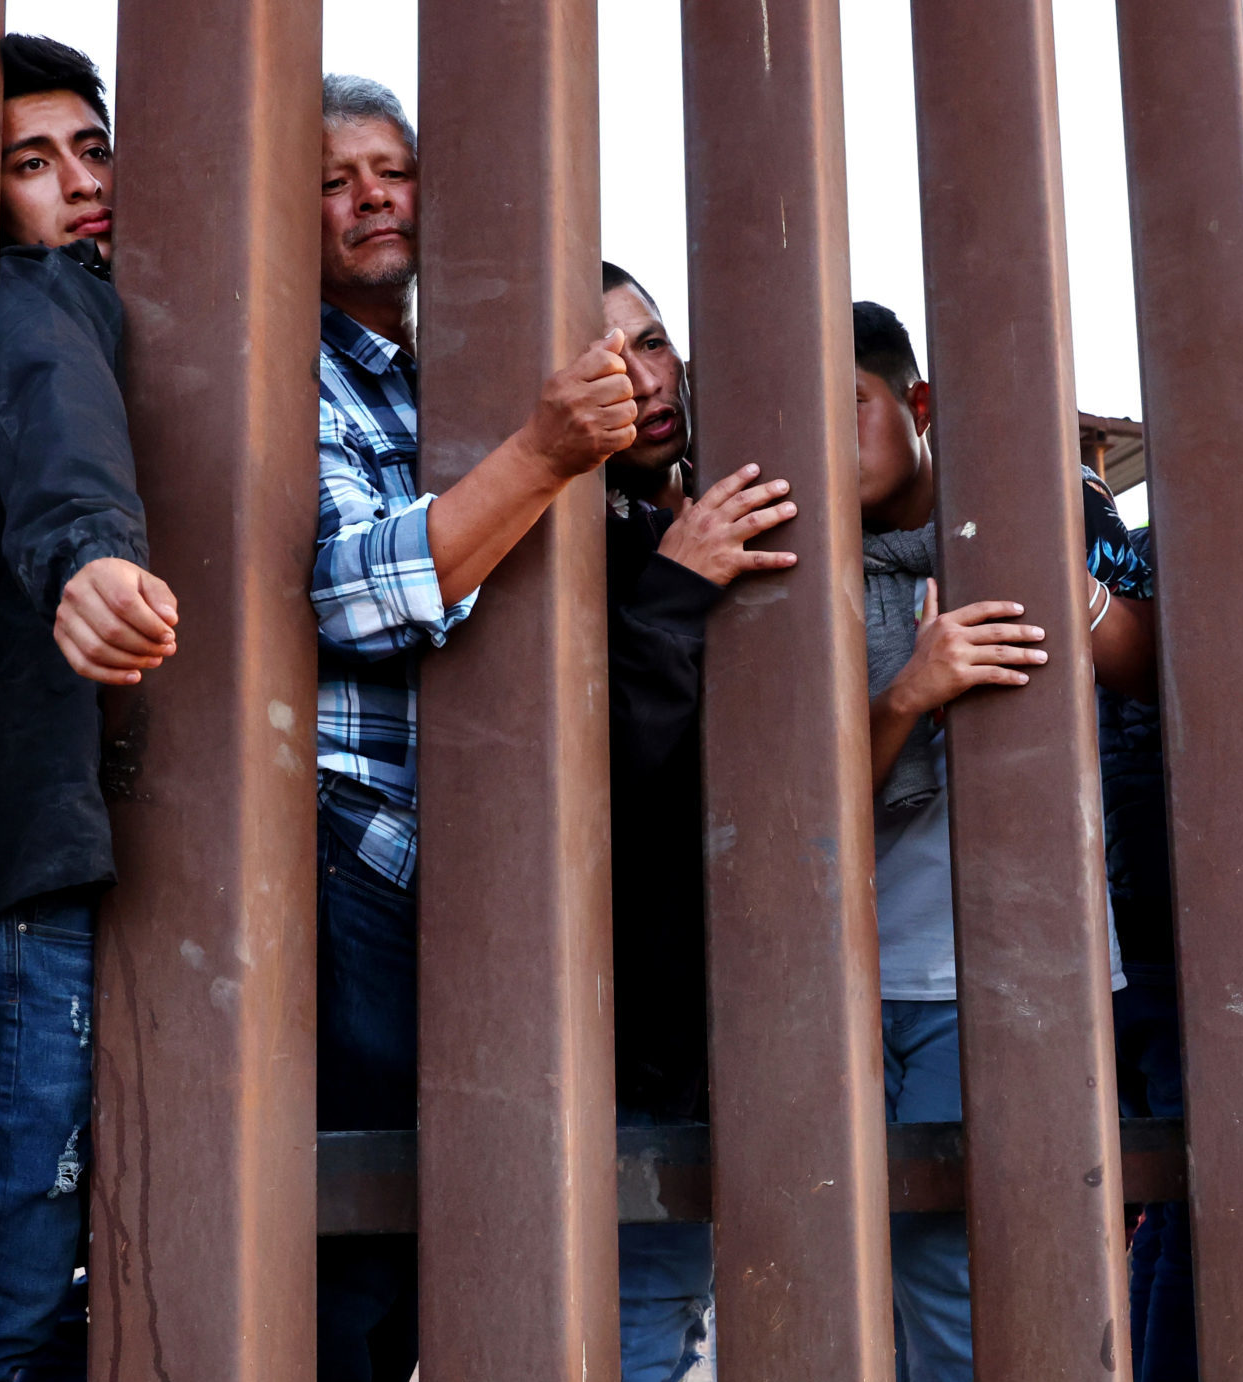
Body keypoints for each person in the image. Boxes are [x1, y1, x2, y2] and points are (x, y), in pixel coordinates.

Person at [310, 75, 639, 1382]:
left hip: (484, 871)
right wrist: (543, 458)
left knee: (476, 1256)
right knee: (347, 1260)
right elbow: (347, 589)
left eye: (390, 169)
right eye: (333, 181)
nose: (372, 197)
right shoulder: (290, 367)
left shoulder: (466, 362)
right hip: (350, 858)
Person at [852, 300, 1154, 1381]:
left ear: (918, 404)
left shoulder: (1044, 509)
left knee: (975, 1290)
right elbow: (787, 798)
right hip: (829, 970)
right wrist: (905, 691)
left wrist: (1052, 573)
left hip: (994, 968)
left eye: (850, 409)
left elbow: (1147, 666)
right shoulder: (789, 558)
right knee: (838, 1281)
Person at [0, 36, 170, 1382]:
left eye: (93, 148)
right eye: (30, 164)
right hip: (24, 857)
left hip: (13, 845)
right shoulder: (40, 296)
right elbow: (59, 427)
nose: (78, 185)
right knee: (18, 1287)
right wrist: (92, 552)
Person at [597, 260, 799, 1381]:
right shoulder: (574, 540)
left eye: (655, 339)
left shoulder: (680, 513)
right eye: (610, 351)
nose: (645, 373)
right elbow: (587, 771)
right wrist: (672, 588)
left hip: (719, 1008)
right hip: (618, 1019)